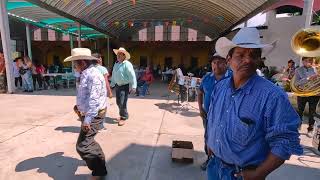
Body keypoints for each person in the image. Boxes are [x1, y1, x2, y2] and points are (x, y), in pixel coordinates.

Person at [206, 27, 302, 180]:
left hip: (242, 175)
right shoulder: (220, 87)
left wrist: (259, 173)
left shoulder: (272, 96)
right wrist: (211, 142)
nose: (248, 60)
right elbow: (213, 118)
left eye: (254, 55)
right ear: (229, 59)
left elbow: (285, 141)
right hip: (214, 167)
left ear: (259, 60)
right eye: (241, 54)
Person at [64, 48, 108, 180]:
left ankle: (99, 171)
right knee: (88, 141)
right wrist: (79, 108)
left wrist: (88, 120)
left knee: (83, 145)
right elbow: (86, 95)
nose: (74, 67)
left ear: (82, 63)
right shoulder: (86, 73)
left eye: (75, 64)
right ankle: (100, 161)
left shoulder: (93, 75)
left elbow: (94, 100)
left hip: (93, 115)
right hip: (88, 113)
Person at [197, 53, 231, 171]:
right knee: (208, 136)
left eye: (220, 62)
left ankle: (224, 162)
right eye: (214, 63)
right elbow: (200, 92)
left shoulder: (233, 78)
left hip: (225, 117)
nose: (216, 65)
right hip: (207, 115)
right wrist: (201, 109)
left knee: (223, 137)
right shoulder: (207, 78)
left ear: (226, 63)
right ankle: (209, 159)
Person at [110, 47, 137, 126]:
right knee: (118, 102)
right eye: (117, 54)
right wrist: (112, 85)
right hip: (118, 86)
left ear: (124, 56)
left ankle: (123, 117)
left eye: (120, 54)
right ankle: (124, 114)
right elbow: (114, 75)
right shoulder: (116, 64)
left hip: (125, 86)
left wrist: (134, 86)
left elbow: (132, 76)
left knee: (122, 102)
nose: (118, 56)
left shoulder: (127, 64)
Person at [294, 57, 320, 138]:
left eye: (311, 61)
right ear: (303, 61)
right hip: (302, 93)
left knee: (312, 112)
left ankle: (310, 129)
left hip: (314, 94)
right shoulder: (298, 70)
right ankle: (298, 126)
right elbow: (296, 83)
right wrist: (308, 78)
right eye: (307, 61)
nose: (309, 62)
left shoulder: (316, 69)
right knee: (300, 110)